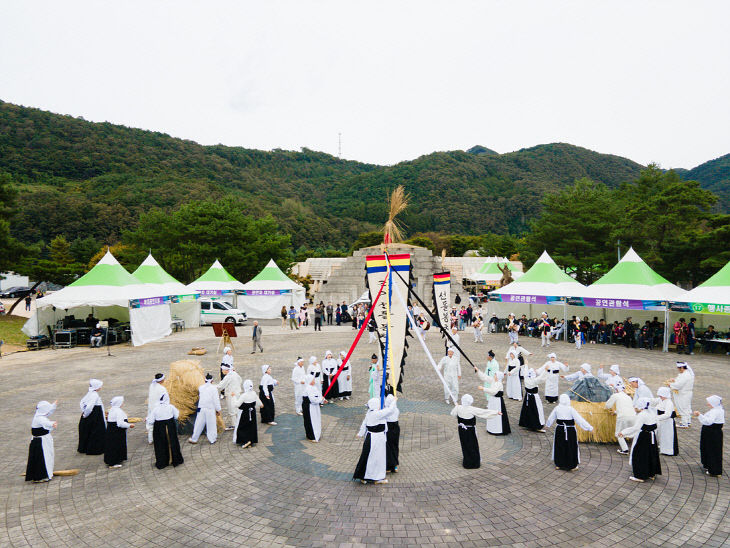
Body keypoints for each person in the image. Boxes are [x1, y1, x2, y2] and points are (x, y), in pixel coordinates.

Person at [353, 397, 397, 484]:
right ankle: (376, 477)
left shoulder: (370, 413)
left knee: (369, 456)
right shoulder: (377, 414)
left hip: (371, 437)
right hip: (377, 439)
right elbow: (390, 410)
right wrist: (394, 401)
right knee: (377, 458)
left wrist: (360, 433)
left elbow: (364, 424)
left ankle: (365, 476)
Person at [450, 394, 500, 469]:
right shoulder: (471, 409)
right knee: (472, 445)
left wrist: (456, 407)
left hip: (461, 430)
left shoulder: (458, 408)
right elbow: (483, 412)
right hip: (470, 431)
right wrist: (496, 412)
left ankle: (467, 461)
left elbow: (453, 414)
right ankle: (474, 462)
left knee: (465, 445)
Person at [546, 394, 594, 471]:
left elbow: (551, 418)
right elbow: (579, 420)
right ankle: (571, 465)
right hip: (570, 431)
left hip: (559, 429)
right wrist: (589, 428)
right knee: (570, 446)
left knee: (559, 445)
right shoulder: (571, 409)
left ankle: (559, 464)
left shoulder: (557, 408)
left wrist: (548, 425)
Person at [618, 398, 661, 483]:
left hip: (644, 437)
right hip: (651, 437)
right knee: (650, 454)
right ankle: (651, 473)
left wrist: (623, 432)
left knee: (639, 455)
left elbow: (636, 428)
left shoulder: (642, 415)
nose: (635, 408)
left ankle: (640, 475)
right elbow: (657, 425)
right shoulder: (651, 412)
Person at [147, 393, 183, 469]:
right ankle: (175, 459)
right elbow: (177, 415)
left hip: (159, 428)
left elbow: (150, 421)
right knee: (172, 442)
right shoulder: (171, 407)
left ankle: (163, 461)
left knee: (161, 444)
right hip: (170, 426)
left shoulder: (155, 409)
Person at [26, 400, 57, 483]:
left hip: (41, 440)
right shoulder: (40, 418)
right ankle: (41, 475)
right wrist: (52, 424)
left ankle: (42, 474)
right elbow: (45, 422)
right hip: (41, 442)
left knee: (44, 457)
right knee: (43, 458)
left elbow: (48, 414)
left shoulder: (39, 415)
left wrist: (53, 405)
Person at [694, 395, 724, 477]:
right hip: (714, 432)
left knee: (711, 449)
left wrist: (699, 415)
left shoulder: (715, 411)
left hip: (711, 432)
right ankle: (710, 465)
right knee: (711, 449)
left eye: (709, 403)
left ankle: (714, 470)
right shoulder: (718, 409)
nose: (708, 404)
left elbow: (709, 421)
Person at [189, 373, 221, 444]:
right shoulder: (214, 389)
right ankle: (212, 439)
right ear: (212, 381)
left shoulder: (201, 387)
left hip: (201, 408)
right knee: (211, 424)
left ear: (205, 380)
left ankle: (194, 438)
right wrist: (218, 409)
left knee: (198, 423)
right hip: (210, 408)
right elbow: (216, 400)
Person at [78, 378, 106, 455]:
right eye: (100, 386)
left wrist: (84, 412)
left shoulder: (90, 393)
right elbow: (90, 407)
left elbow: (82, 402)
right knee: (97, 431)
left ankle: (85, 447)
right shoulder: (94, 395)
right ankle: (95, 449)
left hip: (91, 414)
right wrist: (85, 414)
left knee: (89, 431)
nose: (101, 387)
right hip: (95, 415)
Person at [605, 387, 636, 455]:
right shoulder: (628, 397)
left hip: (622, 417)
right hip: (633, 416)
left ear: (616, 390)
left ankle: (625, 450)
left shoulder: (615, 395)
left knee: (619, 433)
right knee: (634, 432)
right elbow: (627, 408)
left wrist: (611, 410)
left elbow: (607, 405)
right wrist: (616, 412)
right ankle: (637, 448)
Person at [104, 396, 134, 468]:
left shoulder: (112, 410)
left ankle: (112, 460)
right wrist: (129, 425)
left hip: (111, 430)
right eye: (122, 402)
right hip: (117, 431)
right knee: (116, 445)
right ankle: (114, 462)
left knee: (111, 445)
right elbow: (120, 423)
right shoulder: (118, 411)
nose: (123, 403)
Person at [232, 380, 263, 448]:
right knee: (251, 426)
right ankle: (251, 440)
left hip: (245, 413)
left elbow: (237, 405)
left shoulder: (244, 395)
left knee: (243, 427)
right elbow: (259, 403)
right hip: (252, 413)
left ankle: (245, 440)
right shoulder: (254, 393)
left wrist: (234, 397)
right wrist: (260, 405)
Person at [481, 371, 510, 435]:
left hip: (497, 402)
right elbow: (485, 377)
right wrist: (478, 371)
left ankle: (497, 429)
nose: (494, 376)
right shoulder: (494, 381)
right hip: (493, 400)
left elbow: (493, 391)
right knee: (491, 413)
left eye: (495, 375)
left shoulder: (499, 384)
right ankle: (491, 428)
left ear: (498, 377)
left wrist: (483, 388)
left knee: (497, 415)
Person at [652, 387, 678, 456]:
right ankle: (663, 449)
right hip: (662, 421)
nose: (660, 397)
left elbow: (668, 414)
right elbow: (653, 401)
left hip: (668, 422)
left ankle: (669, 451)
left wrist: (656, 418)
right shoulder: (661, 400)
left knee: (668, 436)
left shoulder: (669, 403)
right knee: (662, 436)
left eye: (661, 395)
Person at [519, 367, 547, 432]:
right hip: (534, 398)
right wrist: (545, 371)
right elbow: (541, 378)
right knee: (537, 411)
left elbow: (525, 372)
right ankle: (537, 425)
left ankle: (528, 424)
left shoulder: (526, 379)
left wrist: (526, 364)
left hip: (528, 397)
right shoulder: (534, 381)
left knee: (528, 410)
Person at [669, 361, 694, 428]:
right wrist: (674, 380)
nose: (678, 370)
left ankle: (684, 423)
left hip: (683, 394)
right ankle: (687, 421)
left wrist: (670, 384)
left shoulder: (685, 375)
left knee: (682, 408)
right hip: (686, 393)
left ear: (682, 368)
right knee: (687, 408)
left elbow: (678, 385)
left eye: (679, 368)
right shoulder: (686, 374)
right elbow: (679, 381)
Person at [218, 364, 243, 430]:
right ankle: (239, 423)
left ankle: (235, 425)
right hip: (237, 393)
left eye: (222, 370)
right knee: (237, 408)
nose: (222, 371)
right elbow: (240, 380)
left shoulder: (228, 377)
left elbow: (221, 386)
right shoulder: (235, 373)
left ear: (226, 370)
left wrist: (211, 387)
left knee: (232, 410)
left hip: (231, 395)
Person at [146, 373, 167, 444]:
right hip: (158, 408)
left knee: (150, 423)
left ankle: (150, 439)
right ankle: (160, 438)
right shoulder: (162, 389)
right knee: (159, 423)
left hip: (151, 407)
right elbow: (164, 399)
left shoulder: (152, 385)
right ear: (162, 380)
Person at [302, 374, 324, 442]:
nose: (314, 380)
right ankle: (311, 436)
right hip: (309, 407)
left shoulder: (313, 387)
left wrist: (323, 399)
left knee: (315, 419)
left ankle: (315, 433)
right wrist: (320, 400)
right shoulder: (308, 388)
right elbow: (312, 400)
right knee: (310, 420)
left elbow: (318, 394)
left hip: (314, 406)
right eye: (313, 379)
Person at [384, 394, 400, 474]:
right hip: (395, 427)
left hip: (389, 428)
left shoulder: (387, 410)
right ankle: (394, 465)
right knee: (394, 446)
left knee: (388, 447)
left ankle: (390, 465)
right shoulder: (396, 409)